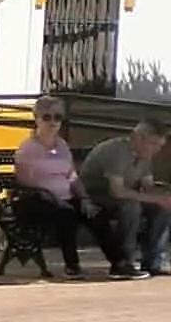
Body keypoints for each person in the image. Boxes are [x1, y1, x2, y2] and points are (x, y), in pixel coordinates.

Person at [81, 110, 171, 277]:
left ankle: (152, 261)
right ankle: (124, 262)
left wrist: (163, 197)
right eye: (153, 144)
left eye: (160, 145)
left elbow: (148, 186)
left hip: (122, 195)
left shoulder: (145, 155)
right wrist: (154, 197)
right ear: (139, 137)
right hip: (95, 196)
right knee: (131, 207)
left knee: (162, 209)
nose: (157, 150)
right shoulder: (117, 151)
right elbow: (117, 191)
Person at [10, 97, 90, 275]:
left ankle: (120, 262)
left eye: (58, 117)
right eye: (47, 117)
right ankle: (72, 266)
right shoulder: (27, 148)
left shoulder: (62, 146)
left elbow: (72, 175)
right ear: (36, 118)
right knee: (66, 214)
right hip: (35, 200)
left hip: (65, 198)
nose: (53, 122)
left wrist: (85, 198)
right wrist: (52, 197)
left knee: (96, 213)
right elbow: (24, 182)